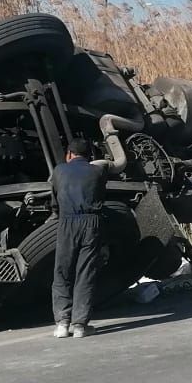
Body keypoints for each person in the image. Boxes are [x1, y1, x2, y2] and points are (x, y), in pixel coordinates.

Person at [50, 137, 110, 338]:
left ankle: (62, 323)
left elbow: (54, 200)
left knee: (62, 271)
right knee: (85, 272)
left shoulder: (58, 171)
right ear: (90, 156)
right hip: (91, 223)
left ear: (69, 155)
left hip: (67, 222)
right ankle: (80, 326)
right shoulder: (98, 171)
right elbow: (101, 196)